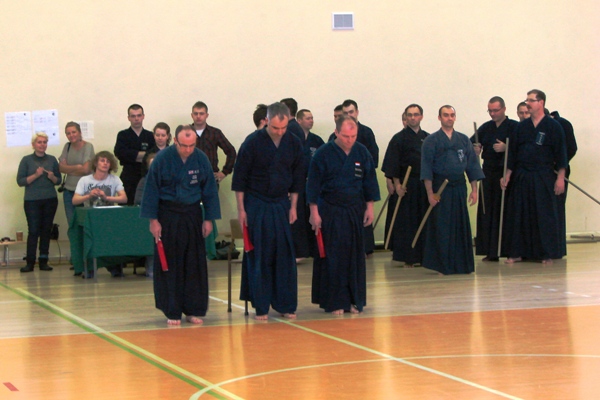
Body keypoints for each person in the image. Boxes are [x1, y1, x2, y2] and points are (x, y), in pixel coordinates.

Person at [232, 102, 305, 320]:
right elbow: (240, 179)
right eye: (275, 128)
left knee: (285, 255)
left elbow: (298, 178)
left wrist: (293, 207)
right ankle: (261, 305)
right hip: (257, 203)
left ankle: (285, 304)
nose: (280, 132)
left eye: (283, 128)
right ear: (266, 121)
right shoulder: (252, 142)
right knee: (260, 255)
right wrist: (241, 210)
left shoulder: (293, 142)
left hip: (282, 204)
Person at [141, 125, 220, 325]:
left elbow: (209, 190)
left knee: (194, 263)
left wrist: (208, 219)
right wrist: (153, 220)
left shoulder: (201, 159)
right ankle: (172, 310)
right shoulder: (162, 159)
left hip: (192, 214)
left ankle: (193, 309)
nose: (188, 149)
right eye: (184, 145)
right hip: (167, 215)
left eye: (192, 145)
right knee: (171, 263)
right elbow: (151, 190)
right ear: (175, 141)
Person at [307, 115, 380, 314]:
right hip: (330, 210)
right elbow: (312, 185)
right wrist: (314, 212)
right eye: (346, 136)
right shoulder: (323, 153)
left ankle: (354, 299)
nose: (350, 140)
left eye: (353, 136)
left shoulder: (361, 152)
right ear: (336, 132)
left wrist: (370, 208)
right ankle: (334, 301)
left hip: (355, 210)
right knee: (333, 257)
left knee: (354, 257)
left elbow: (369, 182)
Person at [502, 90, 567, 264]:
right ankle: (517, 252)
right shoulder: (521, 127)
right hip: (522, 175)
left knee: (543, 214)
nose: (528, 103)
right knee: (519, 213)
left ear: (541, 103)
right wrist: (507, 175)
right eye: (527, 100)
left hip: (543, 175)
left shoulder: (553, 127)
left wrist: (560, 178)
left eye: (531, 100)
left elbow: (561, 154)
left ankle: (545, 253)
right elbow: (513, 153)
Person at [421, 105, 484, 275]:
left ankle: (462, 265)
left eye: (452, 115)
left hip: (459, 187)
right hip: (440, 188)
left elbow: (472, 166)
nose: (449, 118)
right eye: (446, 115)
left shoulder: (463, 140)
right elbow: (426, 169)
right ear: (439, 118)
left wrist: (474, 190)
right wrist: (430, 194)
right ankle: (443, 265)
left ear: (455, 117)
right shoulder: (431, 141)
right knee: (442, 227)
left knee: (460, 225)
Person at [381, 105, 429, 267]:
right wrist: (397, 185)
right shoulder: (398, 139)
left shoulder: (428, 138)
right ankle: (409, 256)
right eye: (410, 115)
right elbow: (392, 164)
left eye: (416, 114)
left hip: (424, 185)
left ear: (421, 116)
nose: (413, 117)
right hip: (406, 186)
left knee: (424, 220)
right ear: (406, 117)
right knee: (407, 222)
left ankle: (424, 255)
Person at [471, 97, 518, 261]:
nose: (492, 114)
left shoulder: (514, 127)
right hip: (488, 173)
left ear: (504, 109)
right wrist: (476, 148)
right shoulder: (486, 127)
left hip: (506, 173)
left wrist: (507, 147)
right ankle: (490, 251)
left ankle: (508, 250)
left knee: (505, 211)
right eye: (490, 111)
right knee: (488, 211)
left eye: (495, 110)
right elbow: (471, 143)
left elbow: (521, 147)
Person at [191, 101, 237, 260]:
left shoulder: (215, 133)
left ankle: (209, 247)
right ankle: (194, 246)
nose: (198, 116)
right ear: (192, 115)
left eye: (201, 113)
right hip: (189, 179)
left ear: (207, 115)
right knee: (191, 213)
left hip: (210, 179)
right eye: (196, 113)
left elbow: (231, 151)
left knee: (208, 213)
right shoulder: (186, 132)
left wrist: (224, 172)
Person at [72, 151, 128, 277]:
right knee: (89, 241)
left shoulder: (115, 179)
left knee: (112, 241)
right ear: (96, 163)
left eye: (108, 161)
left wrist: (106, 197)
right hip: (90, 218)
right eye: (102, 161)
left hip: (109, 218)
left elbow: (124, 198)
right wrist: (88, 195)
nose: (105, 164)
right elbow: (75, 200)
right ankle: (90, 268)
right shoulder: (85, 180)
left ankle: (114, 266)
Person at [16, 132, 61, 272]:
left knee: (46, 230)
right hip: (32, 200)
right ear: (33, 144)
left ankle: (43, 261)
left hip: (50, 199)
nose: (42, 145)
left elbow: (58, 181)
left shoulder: (52, 159)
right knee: (34, 230)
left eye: (44, 142)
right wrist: (36, 175)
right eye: (39, 142)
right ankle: (30, 262)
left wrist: (52, 177)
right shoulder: (26, 160)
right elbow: (20, 181)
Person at [291, 109, 325, 260]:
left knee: (314, 216)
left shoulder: (317, 141)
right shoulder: (292, 140)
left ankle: (315, 249)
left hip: (313, 184)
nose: (311, 120)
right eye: (307, 118)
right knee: (299, 218)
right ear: (299, 121)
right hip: (297, 185)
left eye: (312, 118)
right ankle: (300, 251)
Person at [114, 104, 155, 205]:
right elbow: (120, 153)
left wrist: (132, 155)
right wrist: (144, 155)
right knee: (126, 207)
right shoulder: (123, 135)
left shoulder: (150, 136)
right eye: (133, 116)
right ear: (128, 118)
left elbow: (153, 155)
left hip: (146, 176)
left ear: (143, 116)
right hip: (128, 177)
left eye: (139, 115)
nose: (136, 119)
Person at [550, 110, 578, 256]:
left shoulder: (563, 124)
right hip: (541, 172)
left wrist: (558, 163)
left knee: (557, 208)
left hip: (558, 171)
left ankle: (557, 247)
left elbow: (571, 148)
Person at [58, 122, 95, 226]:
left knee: (85, 223)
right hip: (68, 191)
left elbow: (86, 170)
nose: (71, 135)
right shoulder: (67, 146)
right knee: (72, 223)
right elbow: (60, 168)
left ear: (80, 132)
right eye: (68, 133)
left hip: (85, 191)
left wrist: (68, 169)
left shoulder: (88, 146)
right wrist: (77, 167)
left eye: (74, 132)